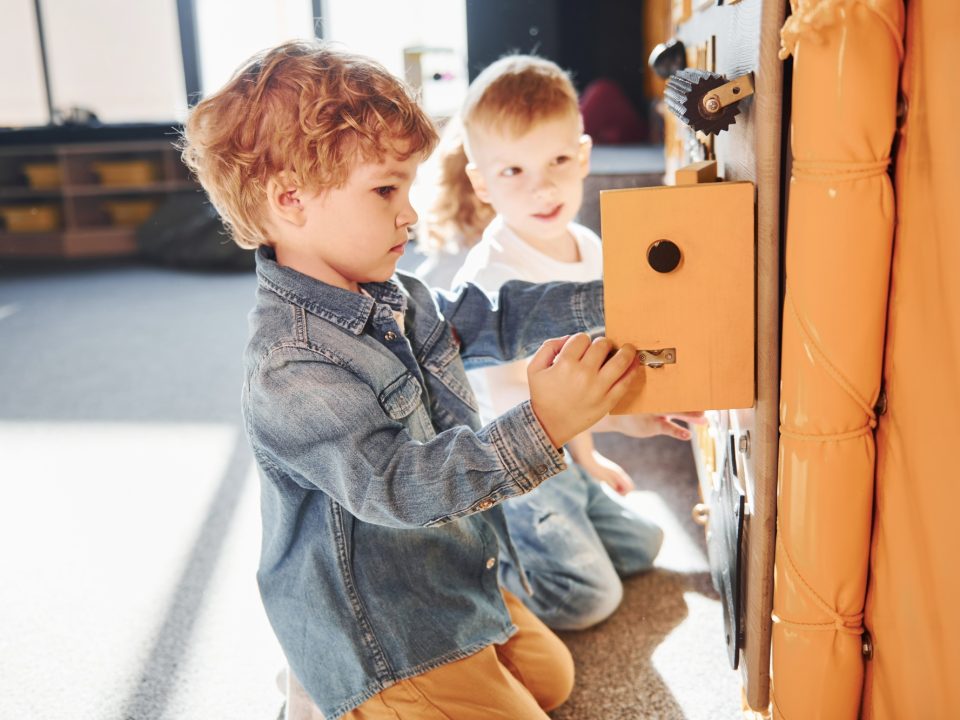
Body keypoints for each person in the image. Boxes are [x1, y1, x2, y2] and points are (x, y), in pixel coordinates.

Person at [181, 40, 646, 720]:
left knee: (553, 680)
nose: (409, 212)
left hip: (446, 577)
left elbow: (488, 317)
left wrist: (617, 298)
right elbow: (399, 487)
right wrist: (542, 425)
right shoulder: (291, 364)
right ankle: (332, 695)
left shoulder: (390, 291)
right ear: (290, 200)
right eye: (385, 189)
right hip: (383, 631)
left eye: (406, 186)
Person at [450, 55, 695, 630]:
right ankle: (487, 570)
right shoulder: (488, 281)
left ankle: (568, 512)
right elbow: (521, 409)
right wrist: (604, 427)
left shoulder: (588, 246)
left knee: (646, 545)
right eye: (513, 171)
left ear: (583, 156)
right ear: (482, 183)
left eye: (558, 159)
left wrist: (589, 456)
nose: (543, 186)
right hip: (513, 471)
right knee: (587, 600)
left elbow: (583, 368)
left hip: (561, 452)